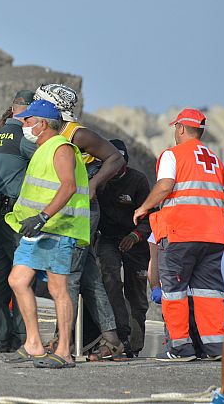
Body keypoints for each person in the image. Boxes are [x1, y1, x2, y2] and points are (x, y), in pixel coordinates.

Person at [35, 83, 124, 358]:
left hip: (82, 211)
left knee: (67, 274)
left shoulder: (77, 134)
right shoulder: (51, 133)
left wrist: (94, 184)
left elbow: (116, 158)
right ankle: (112, 340)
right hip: (68, 210)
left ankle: (63, 343)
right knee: (89, 276)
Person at [2, 100, 91, 369]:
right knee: (18, 280)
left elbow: (69, 186)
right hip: (38, 230)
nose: (25, 126)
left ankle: (64, 351)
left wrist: (43, 217)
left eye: (29, 121)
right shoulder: (43, 149)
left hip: (58, 228)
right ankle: (34, 344)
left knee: (58, 288)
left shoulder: (61, 147)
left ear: (42, 124)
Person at [134, 108, 224, 361]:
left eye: (176, 128)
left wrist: (144, 207)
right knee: (209, 291)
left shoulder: (172, 155)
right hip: (214, 235)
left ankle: (180, 348)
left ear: (181, 128)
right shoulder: (215, 160)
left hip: (181, 233)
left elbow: (165, 185)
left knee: (174, 290)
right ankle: (215, 347)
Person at [0, 90, 36, 355]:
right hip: (15, 213)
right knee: (23, 273)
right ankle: (24, 338)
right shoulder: (24, 139)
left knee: (0, 274)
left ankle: (0, 339)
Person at [95, 139, 151, 357]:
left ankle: (135, 345)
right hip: (108, 239)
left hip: (135, 241)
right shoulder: (99, 181)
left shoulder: (138, 180)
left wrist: (135, 235)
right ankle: (120, 336)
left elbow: (150, 217)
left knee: (136, 293)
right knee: (110, 280)